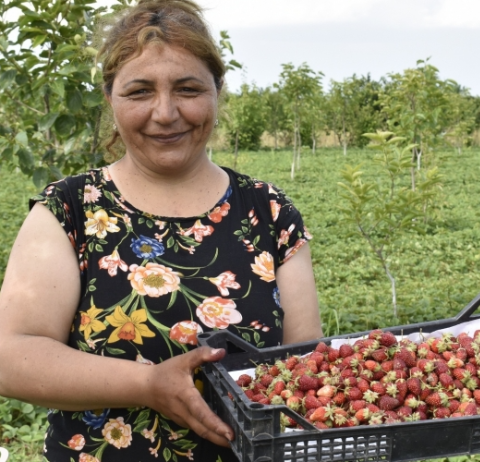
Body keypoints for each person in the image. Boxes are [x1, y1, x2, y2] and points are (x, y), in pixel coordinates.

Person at [0, 1, 323, 460]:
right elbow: (11, 358)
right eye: (139, 92)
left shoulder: (269, 214)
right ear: (110, 97)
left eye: (188, 89)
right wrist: (147, 384)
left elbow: (304, 366)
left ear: (218, 91)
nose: (166, 113)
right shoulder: (69, 210)